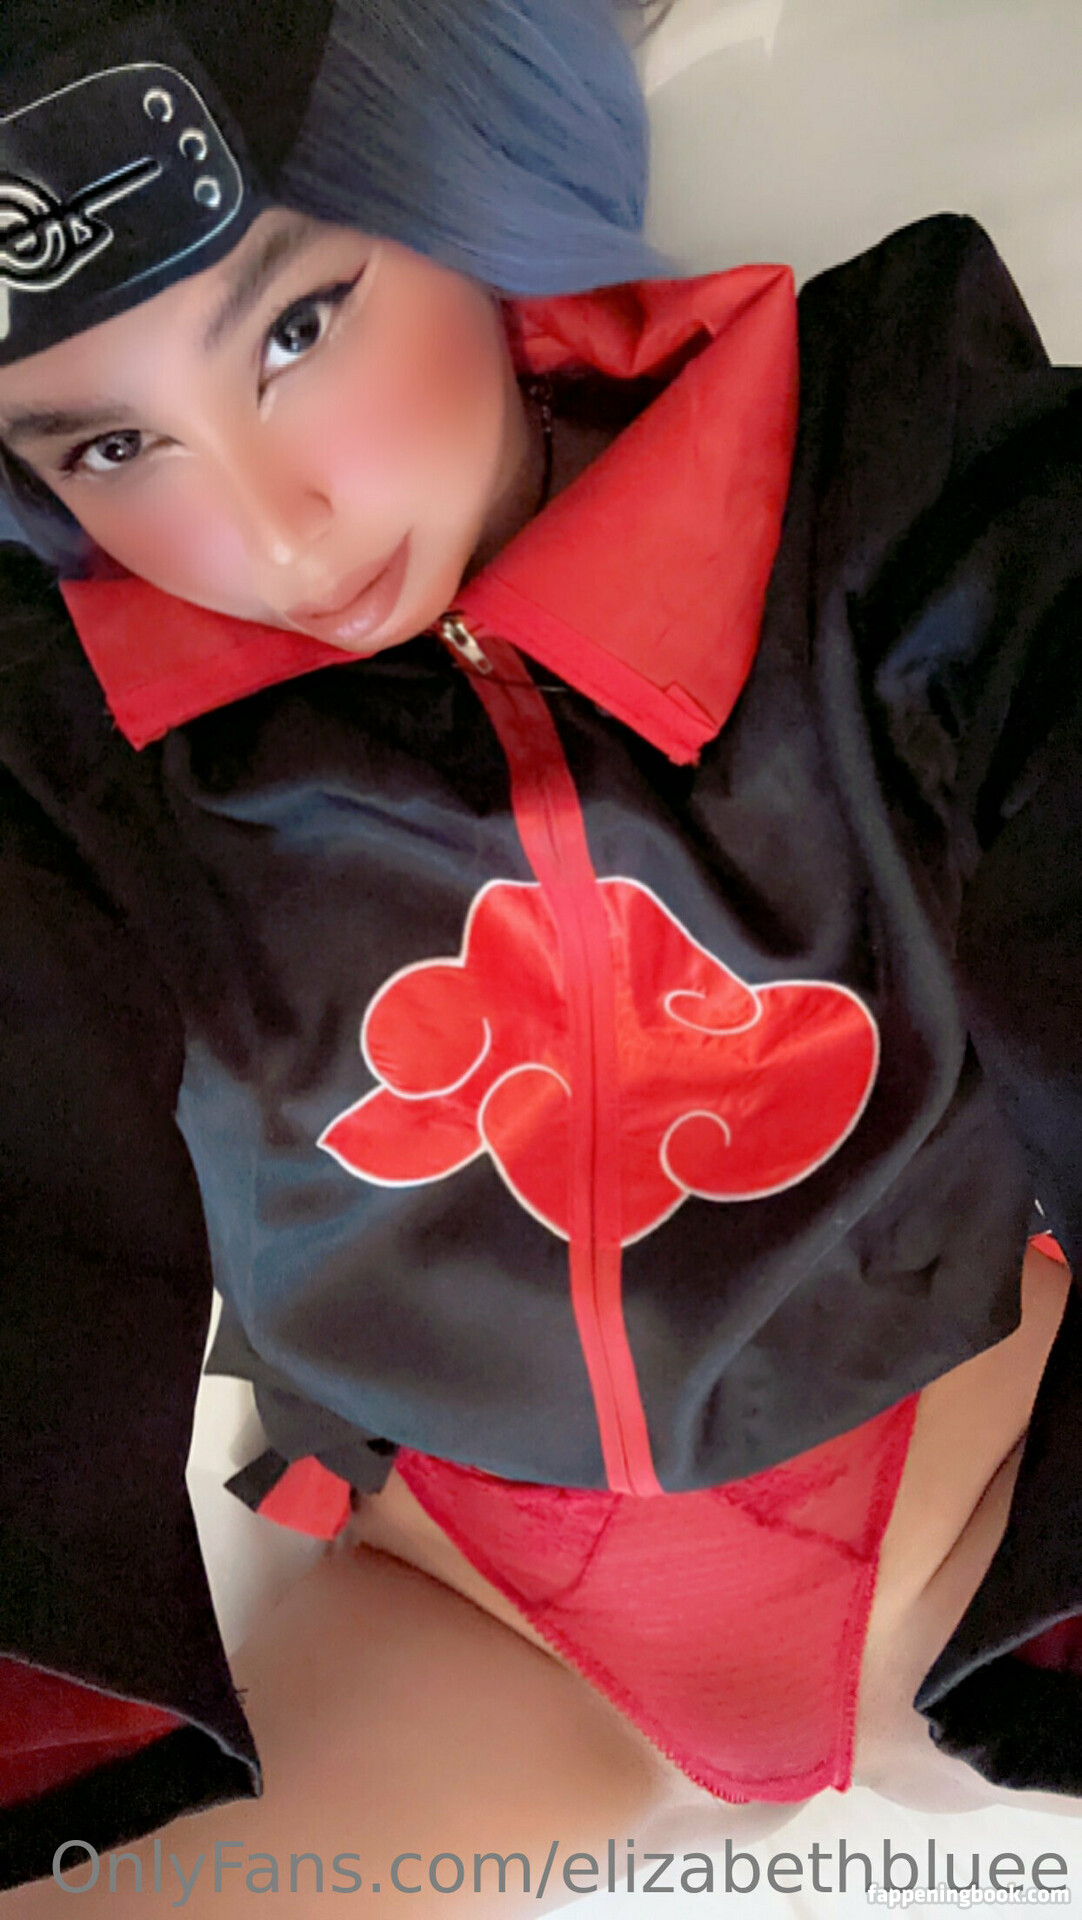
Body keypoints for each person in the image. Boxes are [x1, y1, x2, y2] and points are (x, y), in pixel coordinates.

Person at [2, 0, 1082, 1909]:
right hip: (465, 1611)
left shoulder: (894, 478)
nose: (265, 532)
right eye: (110, 442)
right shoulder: (70, 748)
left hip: (983, 1501)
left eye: (296, 330)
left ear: (464, 193)